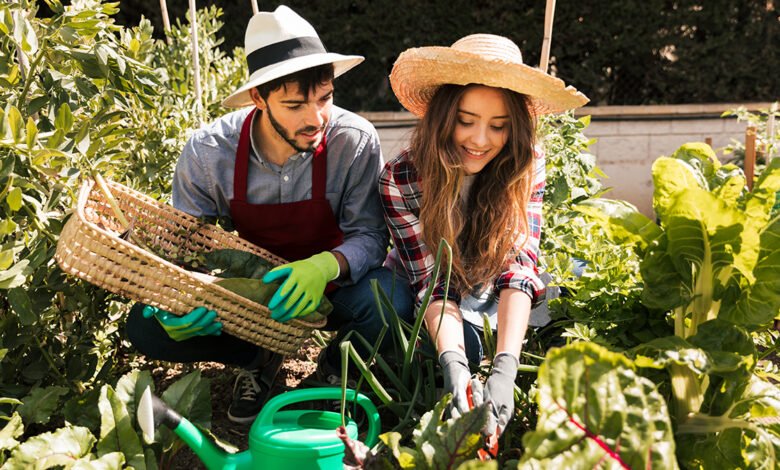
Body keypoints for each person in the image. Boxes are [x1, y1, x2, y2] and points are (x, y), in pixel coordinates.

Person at [126, 5, 413, 424]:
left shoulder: (353, 140)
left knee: (391, 298)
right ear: (259, 98)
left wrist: (323, 267)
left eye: (325, 98)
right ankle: (255, 357)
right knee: (146, 326)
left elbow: (370, 235)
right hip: (253, 299)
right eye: (295, 104)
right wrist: (177, 303)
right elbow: (185, 246)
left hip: (331, 290)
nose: (315, 119)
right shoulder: (209, 153)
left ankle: (333, 368)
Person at [380, 34, 588, 443]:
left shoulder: (526, 165)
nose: (479, 140)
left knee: (575, 282)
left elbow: (519, 265)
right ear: (443, 115)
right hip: (433, 296)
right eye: (465, 120)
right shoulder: (402, 177)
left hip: (492, 285)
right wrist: (454, 362)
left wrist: (507, 366)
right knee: (460, 347)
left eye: (498, 127)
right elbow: (433, 283)